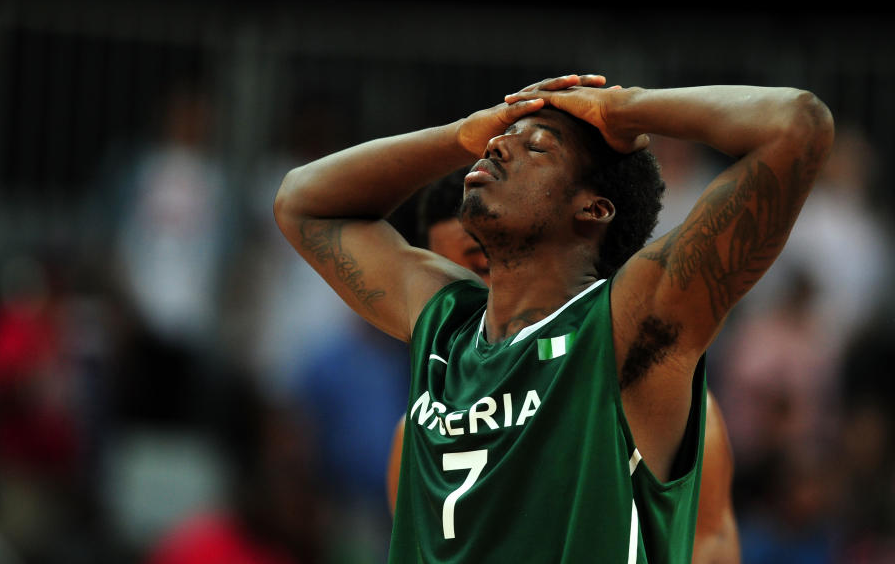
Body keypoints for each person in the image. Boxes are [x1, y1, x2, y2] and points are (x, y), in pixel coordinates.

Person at [274, 74, 834, 563]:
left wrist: (622, 108)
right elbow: (301, 200)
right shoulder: (445, 321)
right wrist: (463, 132)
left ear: (594, 208)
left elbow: (796, 124)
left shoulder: (624, 326)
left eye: (537, 148)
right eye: (497, 143)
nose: (496, 149)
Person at [383, 168, 740, 563]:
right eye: (446, 276)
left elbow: (710, 543)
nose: (466, 293)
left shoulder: (650, 394)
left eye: (481, 266)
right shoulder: (416, 431)